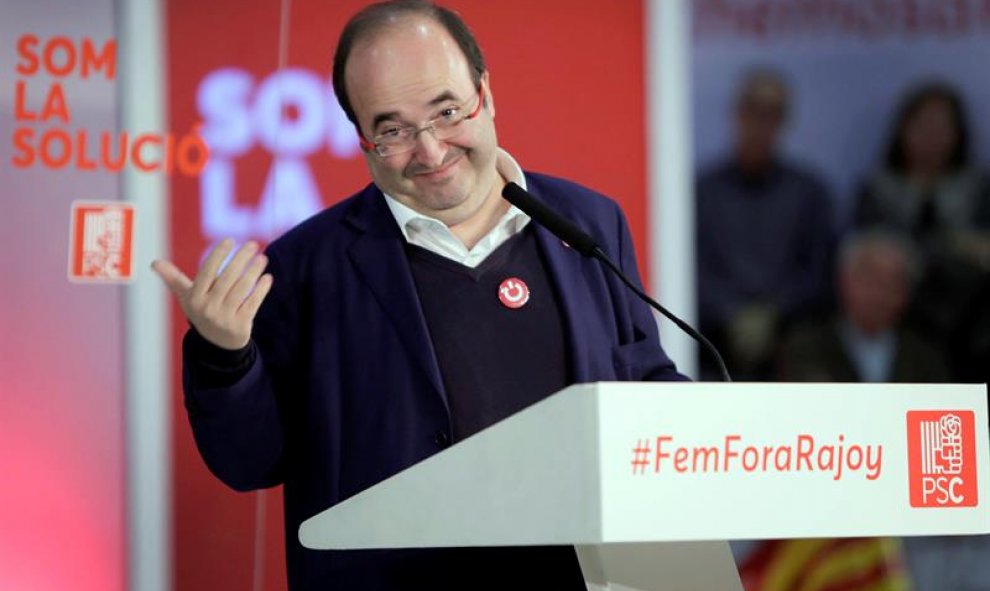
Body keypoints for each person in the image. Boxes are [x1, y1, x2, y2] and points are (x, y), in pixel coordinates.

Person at [151, 1, 685, 589]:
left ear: (485, 91)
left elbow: (643, 390)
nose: (430, 151)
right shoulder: (304, 267)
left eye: (447, 111)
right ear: (361, 138)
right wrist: (225, 355)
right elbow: (250, 461)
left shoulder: (586, 222)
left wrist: (721, 435)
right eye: (393, 130)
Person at [695, 68, 835, 380]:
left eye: (772, 114)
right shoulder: (699, 192)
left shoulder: (809, 192)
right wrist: (730, 314)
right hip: (712, 336)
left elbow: (818, 273)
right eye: (753, 110)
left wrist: (773, 314)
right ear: (737, 114)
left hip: (790, 337)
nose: (761, 123)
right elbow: (688, 269)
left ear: (785, 121)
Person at [854, 81, 990, 381]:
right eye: (922, 125)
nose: (931, 136)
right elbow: (865, 249)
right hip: (898, 307)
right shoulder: (878, 188)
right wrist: (955, 243)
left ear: (958, 133)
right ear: (903, 129)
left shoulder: (978, 188)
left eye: (941, 126)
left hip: (970, 310)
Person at [776, 232, 948, 383]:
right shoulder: (804, 349)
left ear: (907, 293)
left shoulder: (924, 358)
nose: (880, 293)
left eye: (892, 283)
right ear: (844, 281)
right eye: (870, 279)